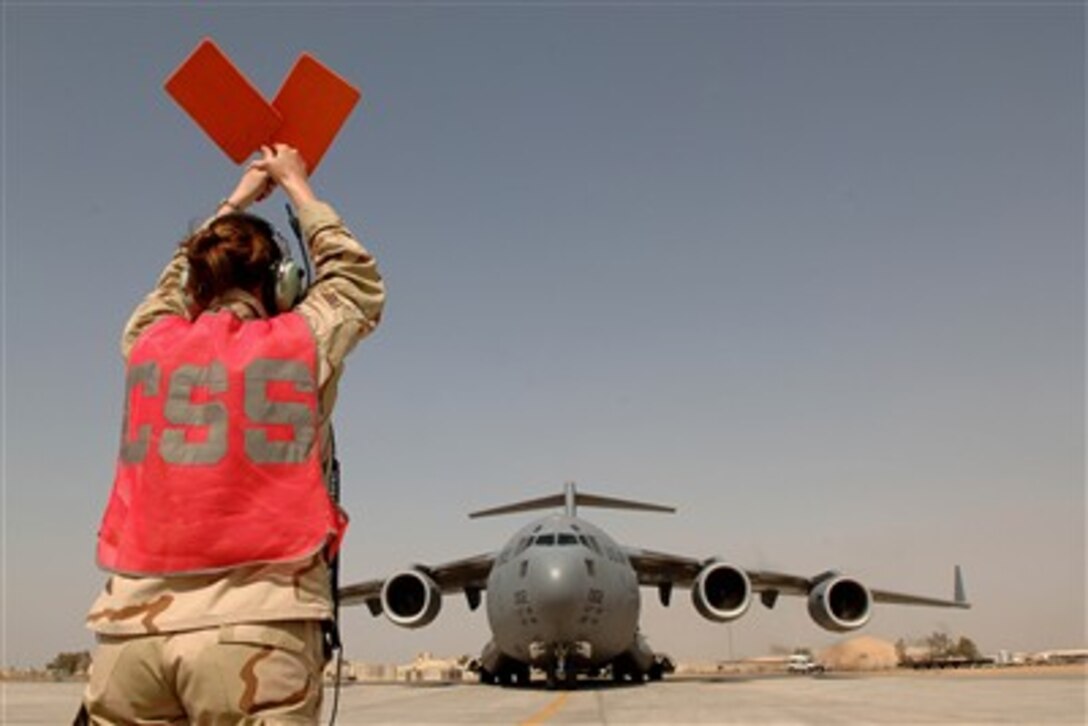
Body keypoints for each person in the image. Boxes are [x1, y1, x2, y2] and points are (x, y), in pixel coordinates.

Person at [81, 143, 385, 724]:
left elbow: (171, 287)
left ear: (194, 287)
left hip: (129, 635)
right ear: (285, 284)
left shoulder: (146, 344)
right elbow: (356, 283)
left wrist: (237, 200)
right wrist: (298, 186)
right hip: (256, 627)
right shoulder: (299, 342)